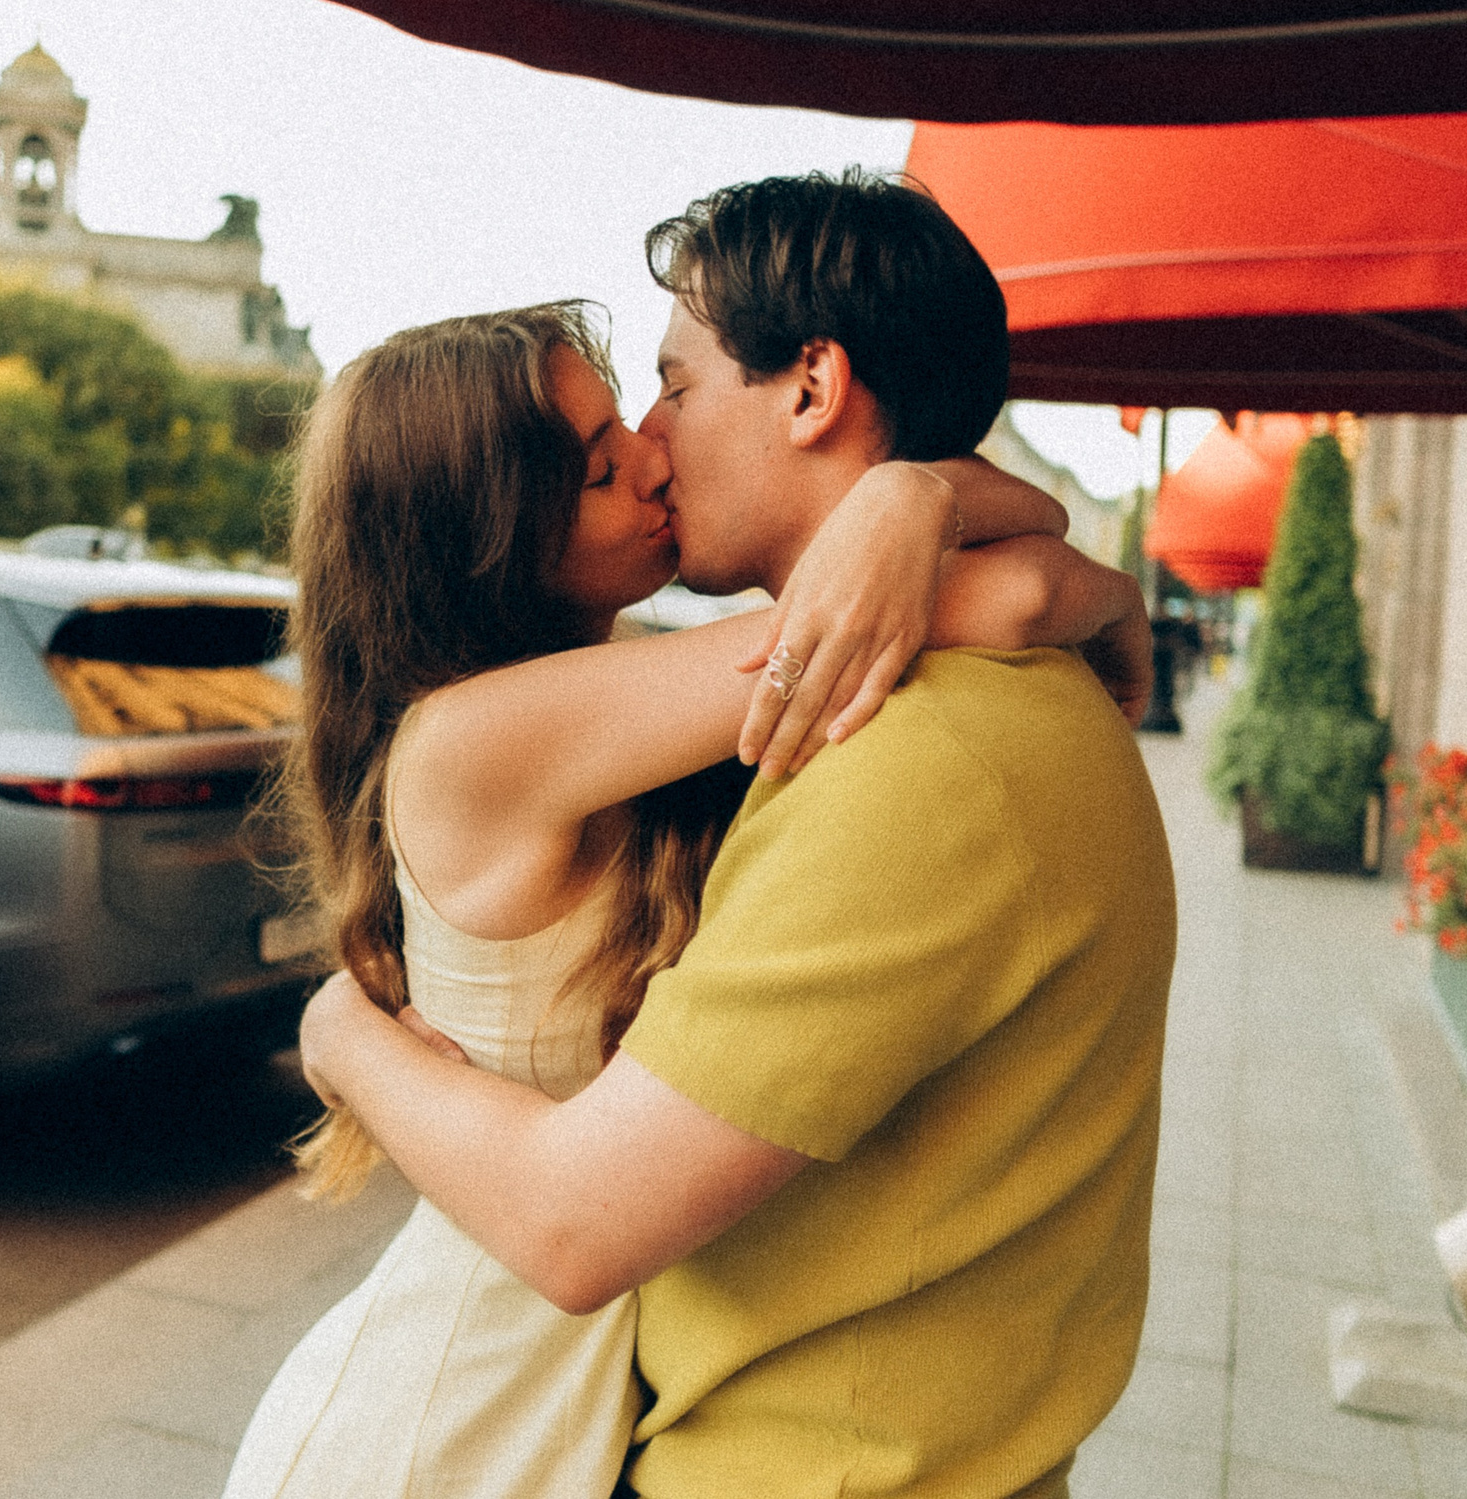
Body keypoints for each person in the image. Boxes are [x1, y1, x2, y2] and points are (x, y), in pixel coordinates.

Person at [295, 173, 1178, 1499]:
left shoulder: (908, 750)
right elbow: (996, 596)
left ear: (812, 389)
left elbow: (1005, 592)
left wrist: (931, 513)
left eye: (670, 387)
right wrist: (941, 517)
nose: (653, 446)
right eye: (604, 459)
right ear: (495, 528)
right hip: (453, 1417)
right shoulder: (491, 737)